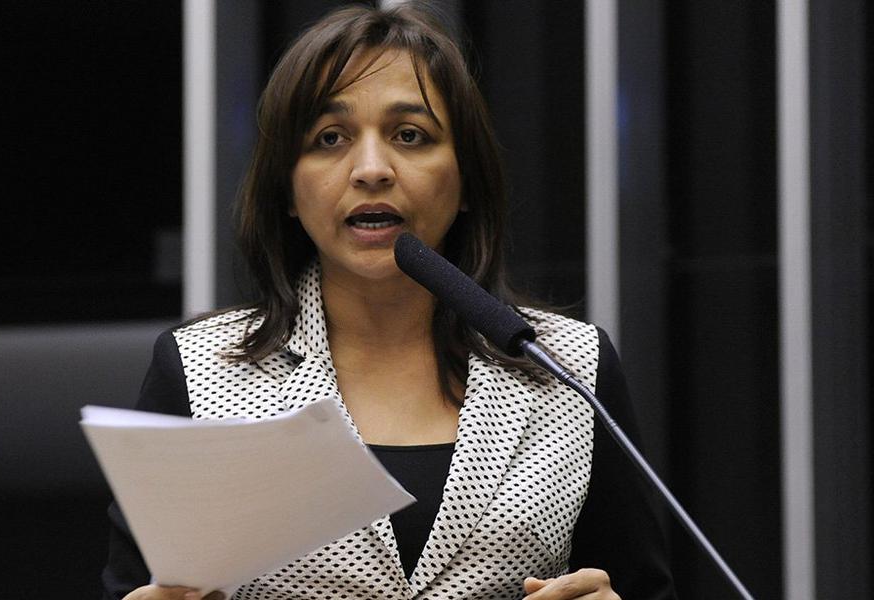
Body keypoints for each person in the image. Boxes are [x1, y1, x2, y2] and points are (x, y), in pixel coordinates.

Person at [102, 3, 675, 599]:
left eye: (410, 136)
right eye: (330, 138)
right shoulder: (199, 369)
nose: (371, 170)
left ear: (467, 180)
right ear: (288, 191)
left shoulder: (568, 365)